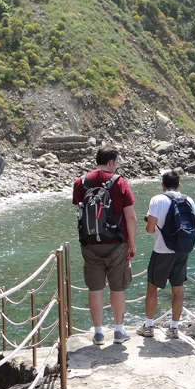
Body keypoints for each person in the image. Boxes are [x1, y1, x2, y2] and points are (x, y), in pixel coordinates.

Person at [72, 145, 137, 345]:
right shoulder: (120, 183)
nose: (117, 167)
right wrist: (132, 245)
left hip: (90, 243)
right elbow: (131, 217)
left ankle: (98, 333)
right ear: (111, 162)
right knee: (117, 288)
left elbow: (80, 211)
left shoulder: (80, 182)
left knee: (95, 288)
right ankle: (118, 331)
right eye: (116, 163)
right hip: (117, 243)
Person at [137, 171, 195, 340]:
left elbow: (150, 229)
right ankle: (174, 328)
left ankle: (149, 326)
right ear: (179, 185)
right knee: (177, 289)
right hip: (182, 250)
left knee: (152, 287)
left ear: (162, 185)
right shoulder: (189, 200)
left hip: (162, 251)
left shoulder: (157, 200)